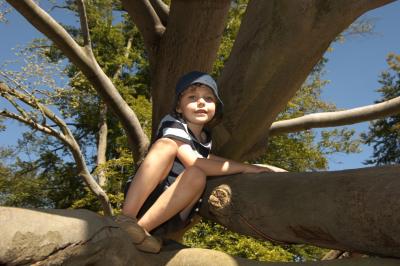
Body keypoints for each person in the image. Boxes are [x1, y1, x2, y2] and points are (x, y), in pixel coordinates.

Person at [115, 71, 272, 253]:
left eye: (208, 98)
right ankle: (126, 218)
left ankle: (142, 231)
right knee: (167, 146)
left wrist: (260, 168)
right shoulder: (172, 123)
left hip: (173, 211)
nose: (201, 102)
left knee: (197, 175)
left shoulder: (205, 138)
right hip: (147, 199)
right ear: (179, 107)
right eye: (192, 97)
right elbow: (194, 161)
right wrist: (246, 168)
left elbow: (207, 160)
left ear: (215, 107)